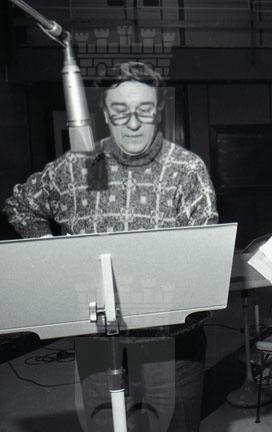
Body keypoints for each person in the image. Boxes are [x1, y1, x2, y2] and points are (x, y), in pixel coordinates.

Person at [4, 61, 218, 431]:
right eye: (120, 111)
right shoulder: (74, 168)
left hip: (171, 338)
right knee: (104, 425)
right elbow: (20, 204)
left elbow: (204, 252)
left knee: (177, 425)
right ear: (105, 113)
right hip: (97, 335)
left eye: (144, 110)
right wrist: (49, 253)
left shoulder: (187, 169)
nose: (132, 123)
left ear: (158, 111)